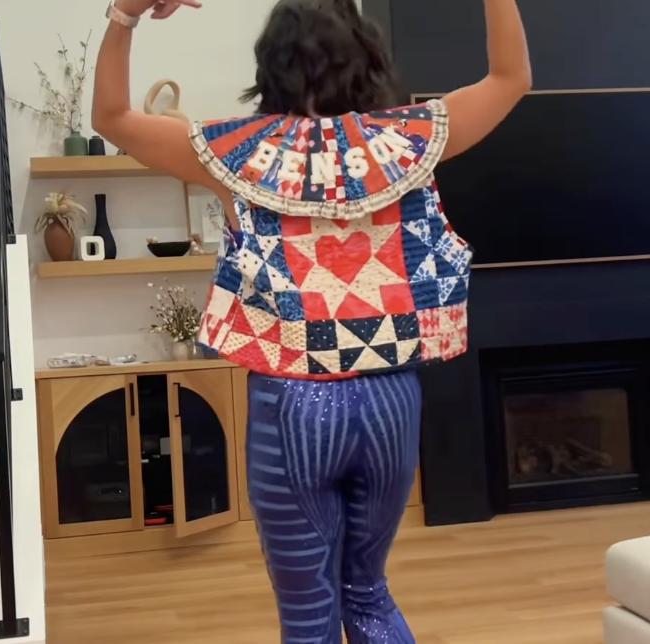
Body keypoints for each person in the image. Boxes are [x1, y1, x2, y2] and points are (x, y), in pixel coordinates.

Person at [93, 0, 531, 641]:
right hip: (391, 399)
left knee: (308, 616)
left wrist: (125, 15)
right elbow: (511, 78)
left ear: (269, 65)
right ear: (369, 55)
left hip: (291, 408)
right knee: (370, 594)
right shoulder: (416, 139)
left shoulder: (230, 153)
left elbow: (112, 117)